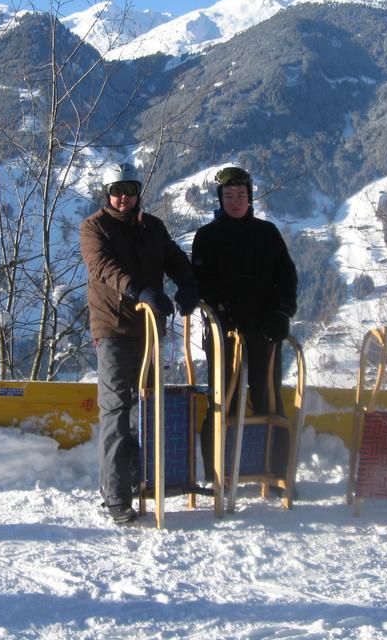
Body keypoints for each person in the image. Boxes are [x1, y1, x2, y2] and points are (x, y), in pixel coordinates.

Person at [80, 162, 199, 524]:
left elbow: (174, 258)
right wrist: (139, 290)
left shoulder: (152, 227)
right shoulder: (94, 227)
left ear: (138, 192)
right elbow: (101, 266)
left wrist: (188, 282)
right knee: (116, 409)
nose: (123, 197)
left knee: (145, 409)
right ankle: (116, 494)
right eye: (116, 191)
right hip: (113, 329)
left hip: (150, 329)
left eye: (129, 190)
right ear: (107, 193)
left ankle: (140, 479)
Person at [191, 165, 298, 481]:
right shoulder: (207, 237)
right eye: (228, 196)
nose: (235, 201)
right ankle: (217, 474)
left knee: (269, 399)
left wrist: (282, 313)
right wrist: (221, 312)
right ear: (220, 199)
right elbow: (202, 284)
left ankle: (277, 473)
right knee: (223, 401)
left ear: (250, 198)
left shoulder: (267, 234)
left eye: (241, 195)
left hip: (265, 331)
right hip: (223, 332)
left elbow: (287, 278)